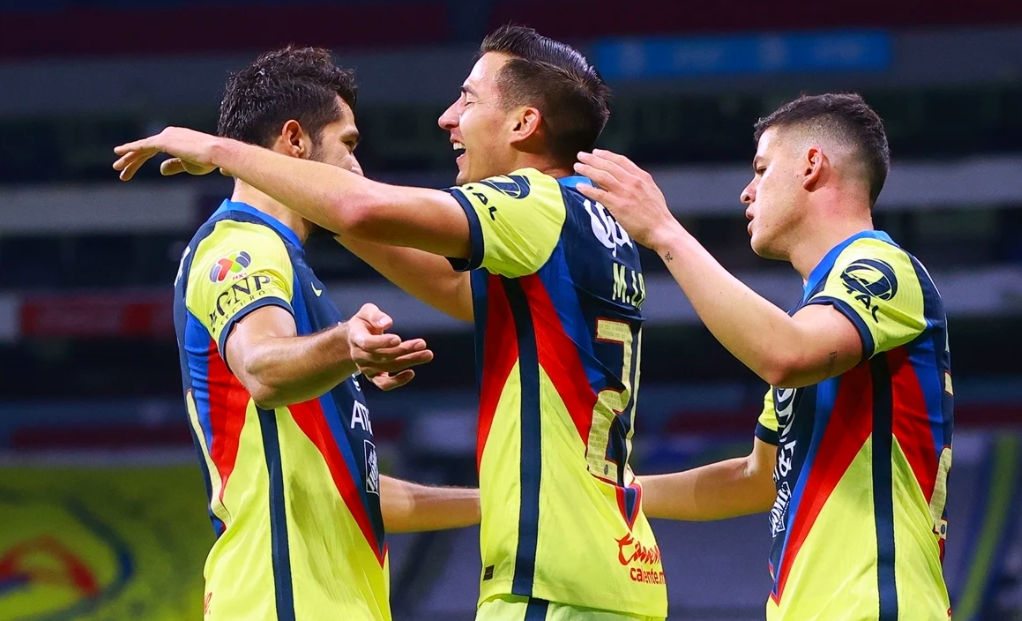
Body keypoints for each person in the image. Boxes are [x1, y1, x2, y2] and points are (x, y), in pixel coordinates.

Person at [115, 26, 668, 621]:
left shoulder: (535, 202)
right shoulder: (593, 226)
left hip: (551, 583)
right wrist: (499, 499)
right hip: (600, 569)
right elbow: (440, 294)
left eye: (468, 99)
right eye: (349, 144)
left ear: (523, 123)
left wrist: (219, 149)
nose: (447, 118)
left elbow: (359, 207)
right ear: (295, 141)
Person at [574, 93, 954, 620]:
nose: (746, 192)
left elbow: (786, 354)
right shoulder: (815, 319)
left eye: (761, 169)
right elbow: (756, 477)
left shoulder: (883, 267)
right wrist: (612, 492)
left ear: (812, 165)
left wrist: (663, 231)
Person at [169, 47, 479, 621]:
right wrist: (344, 344)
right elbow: (261, 369)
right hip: (280, 600)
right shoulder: (242, 246)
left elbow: (356, 492)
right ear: (294, 140)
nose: (357, 170)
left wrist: (503, 504)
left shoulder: (295, 273)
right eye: (349, 145)